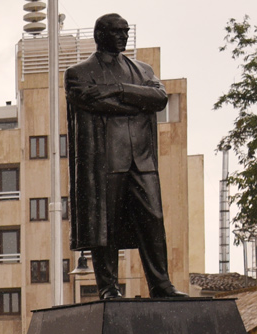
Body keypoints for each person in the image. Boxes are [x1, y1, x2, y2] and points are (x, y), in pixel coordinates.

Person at [66, 13, 183, 299]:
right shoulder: (79, 73)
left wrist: (119, 90)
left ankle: (161, 284)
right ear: (100, 35)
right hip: (104, 162)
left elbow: (159, 98)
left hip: (141, 160)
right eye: (117, 31)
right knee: (103, 225)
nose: (123, 36)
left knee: (153, 221)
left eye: (126, 31)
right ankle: (108, 288)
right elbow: (89, 99)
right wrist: (137, 102)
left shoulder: (143, 70)